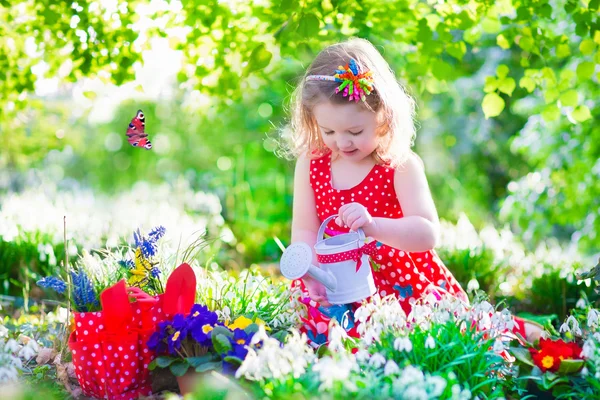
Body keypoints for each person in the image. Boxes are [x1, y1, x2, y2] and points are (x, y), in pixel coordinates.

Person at [282, 38, 539, 346]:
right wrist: (310, 272)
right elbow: (306, 229)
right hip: (333, 284)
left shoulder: (399, 165)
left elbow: (427, 234)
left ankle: (529, 336)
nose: (342, 142)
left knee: (451, 340)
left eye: (355, 132)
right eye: (329, 131)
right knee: (314, 342)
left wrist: (374, 226)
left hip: (399, 287)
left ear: (384, 117)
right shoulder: (312, 163)